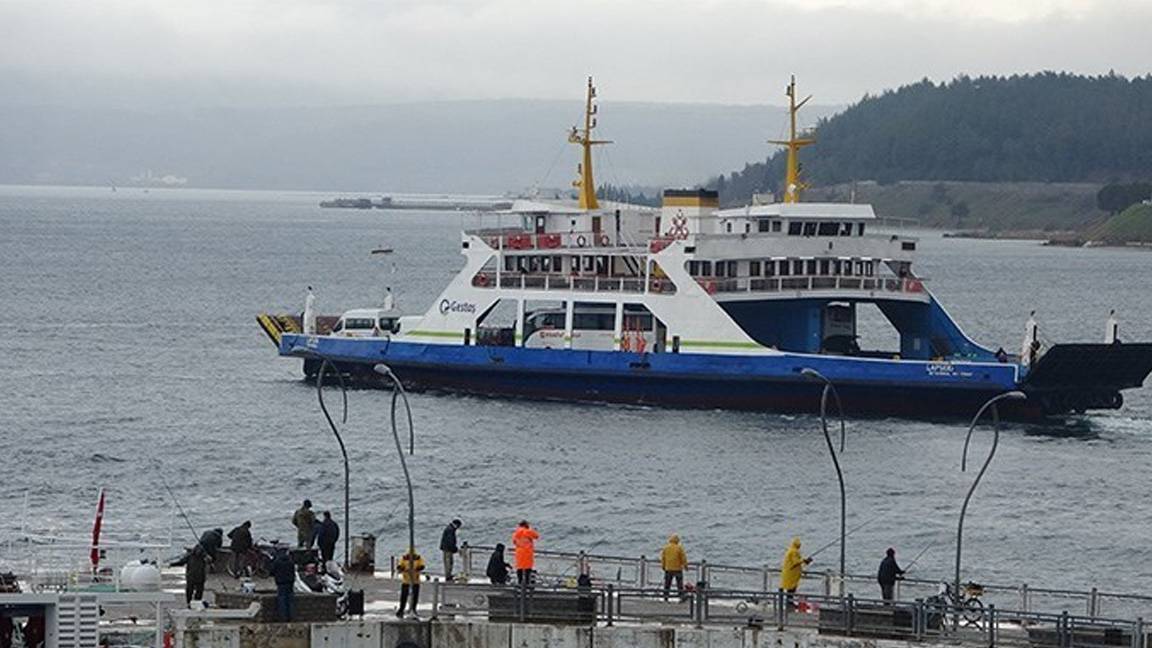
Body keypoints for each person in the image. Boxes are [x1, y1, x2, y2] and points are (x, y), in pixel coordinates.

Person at [780, 537, 812, 606]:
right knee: (791, 588)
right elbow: (796, 562)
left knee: (790, 588)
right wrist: (804, 560)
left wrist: (805, 561)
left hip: (790, 573)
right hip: (791, 574)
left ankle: (789, 602)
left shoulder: (792, 550)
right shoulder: (794, 551)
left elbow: (798, 561)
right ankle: (789, 602)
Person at [396, 548, 426, 619]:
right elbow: (400, 566)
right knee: (404, 596)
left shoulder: (418, 558)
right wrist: (403, 569)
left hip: (415, 580)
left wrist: (417, 568)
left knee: (415, 596)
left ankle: (413, 609)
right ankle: (401, 609)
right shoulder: (404, 558)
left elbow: (422, 566)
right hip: (406, 580)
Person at [660, 534, 688, 601]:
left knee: (667, 584)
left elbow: (663, 558)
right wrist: (685, 566)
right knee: (679, 584)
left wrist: (663, 566)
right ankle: (681, 597)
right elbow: (683, 558)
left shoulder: (666, 548)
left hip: (668, 568)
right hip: (677, 569)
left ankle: (665, 597)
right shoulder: (679, 548)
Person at [271, 548, 296, 621]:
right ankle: (291, 616)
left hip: (281, 583)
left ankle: (283, 617)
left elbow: (272, 571)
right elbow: (293, 571)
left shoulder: (277, 562)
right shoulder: (290, 562)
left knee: (282, 600)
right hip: (290, 583)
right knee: (290, 601)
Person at [512, 520, 540, 585]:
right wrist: (533, 530)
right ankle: (527, 585)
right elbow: (536, 536)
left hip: (519, 553)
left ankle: (520, 583)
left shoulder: (515, 533)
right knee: (527, 569)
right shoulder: (527, 531)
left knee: (519, 569)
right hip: (527, 553)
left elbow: (514, 542)